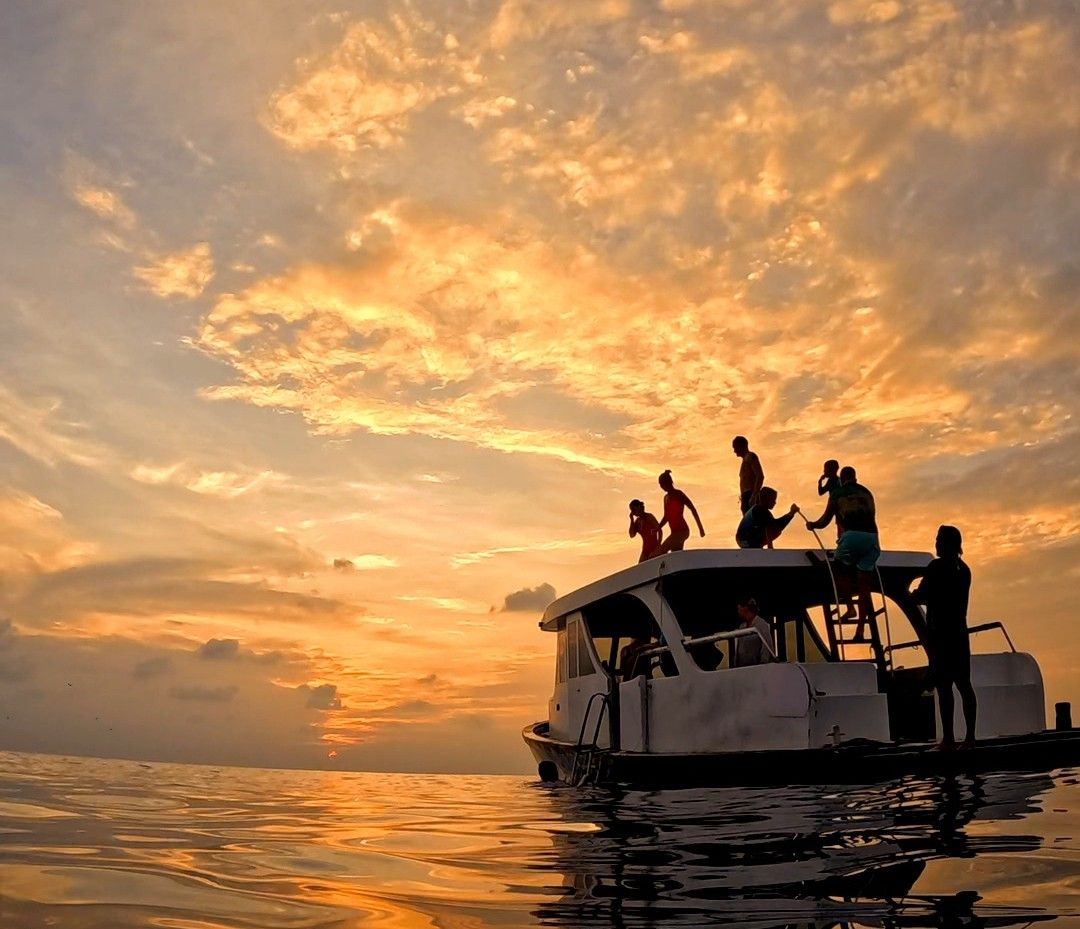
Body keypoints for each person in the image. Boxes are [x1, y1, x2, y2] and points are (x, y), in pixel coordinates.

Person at [911, 525, 977, 749]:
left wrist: (914, 595)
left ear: (946, 543)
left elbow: (922, 595)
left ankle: (948, 738)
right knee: (964, 685)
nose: (936, 543)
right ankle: (970, 738)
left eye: (938, 539)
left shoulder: (936, 567)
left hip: (940, 636)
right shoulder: (964, 570)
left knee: (944, 687)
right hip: (959, 634)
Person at [805, 466, 880, 637]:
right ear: (855, 477)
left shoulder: (838, 493)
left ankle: (850, 607)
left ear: (842, 478)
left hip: (851, 537)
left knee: (839, 571)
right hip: (872, 538)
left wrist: (812, 525)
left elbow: (825, 521)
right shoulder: (867, 492)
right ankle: (861, 628)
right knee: (865, 586)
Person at [656, 470, 705, 554]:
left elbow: (692, 509)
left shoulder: (678, 494)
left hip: (682, 531)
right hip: (674, 532)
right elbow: (666, 516)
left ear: (668, 482)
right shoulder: (666, 498)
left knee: (661, 551)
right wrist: (658, 527)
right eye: (660, 485)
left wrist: (700, 528)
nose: (661, 487)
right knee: (676, 554)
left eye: (662, 484)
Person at [735, 487, 799, 549]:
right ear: (766, 499)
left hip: (745, 540)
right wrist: (770, 548)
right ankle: (759, 545)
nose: (775, 502)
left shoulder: (760, 510)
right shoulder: (760, 510)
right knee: (774, 529)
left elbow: (776, 524)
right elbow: (769, 528)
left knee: (775, 528)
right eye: (773, 500)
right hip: (746, 540)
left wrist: (791, 514)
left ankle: (758, 545)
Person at [733, 596, 774, 667]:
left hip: (757, 668)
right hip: (743, 668)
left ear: (745, 608)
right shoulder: (742, 626)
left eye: (739, 609)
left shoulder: (761, 624)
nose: (738, 612)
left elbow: (767, 646)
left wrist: (763, 665)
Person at [732, 436, 764, 514]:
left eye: (735, 447)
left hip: (750, 494)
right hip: (746, 496)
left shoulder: (750, 456)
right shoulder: (745, 460)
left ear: (741, 446)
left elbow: (760, 476)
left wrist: (754, 495)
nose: (734, 451)